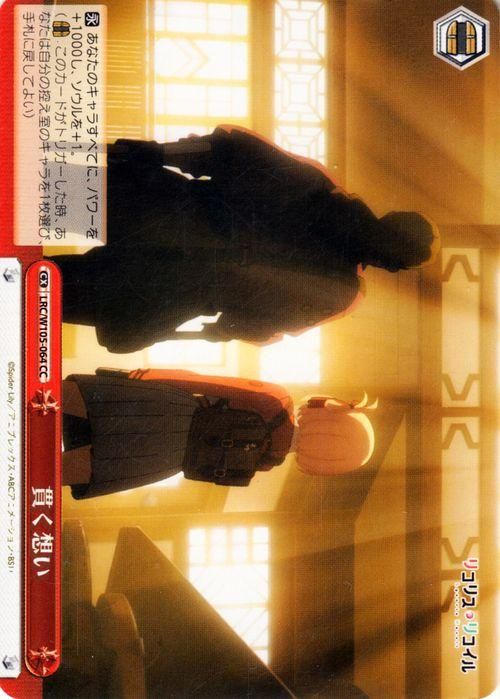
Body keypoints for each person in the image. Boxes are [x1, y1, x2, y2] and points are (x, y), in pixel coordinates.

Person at [49, 125, 440, 353]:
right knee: (35, 290)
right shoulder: (341, 295)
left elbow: (228, 153)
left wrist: (157, 153)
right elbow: (252, 327)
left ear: (391, 218)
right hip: (161, 291)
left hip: (158, 208)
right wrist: (220, 329)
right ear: (392, 266)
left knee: (25, 200)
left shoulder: (321, 189)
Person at [62, 367, 376, 499]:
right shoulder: (269, 461)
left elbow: (204, 383)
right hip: (161, 462)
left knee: (57, 399)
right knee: (57, 469)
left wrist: (141, 376)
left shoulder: (278, 401)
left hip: (170, 411)